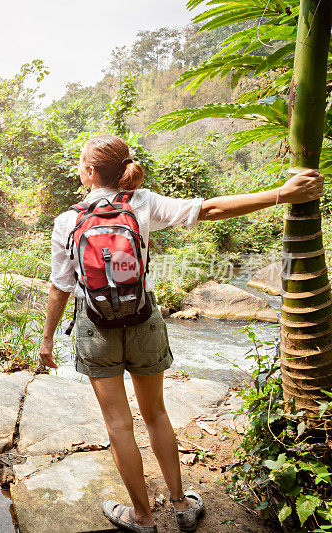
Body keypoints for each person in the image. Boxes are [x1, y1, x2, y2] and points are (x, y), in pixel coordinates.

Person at [38, 134, 324, 533]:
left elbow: (60, 286)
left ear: (89, 173)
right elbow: (211, 208)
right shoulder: (141, 202)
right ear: (123, 169)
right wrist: (283, 193)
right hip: (144, 321)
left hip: (95, 328)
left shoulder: (67, 221)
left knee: (119, 424)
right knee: (155, 413)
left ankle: (141, 516)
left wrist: (48, 338)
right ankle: (180, 504)